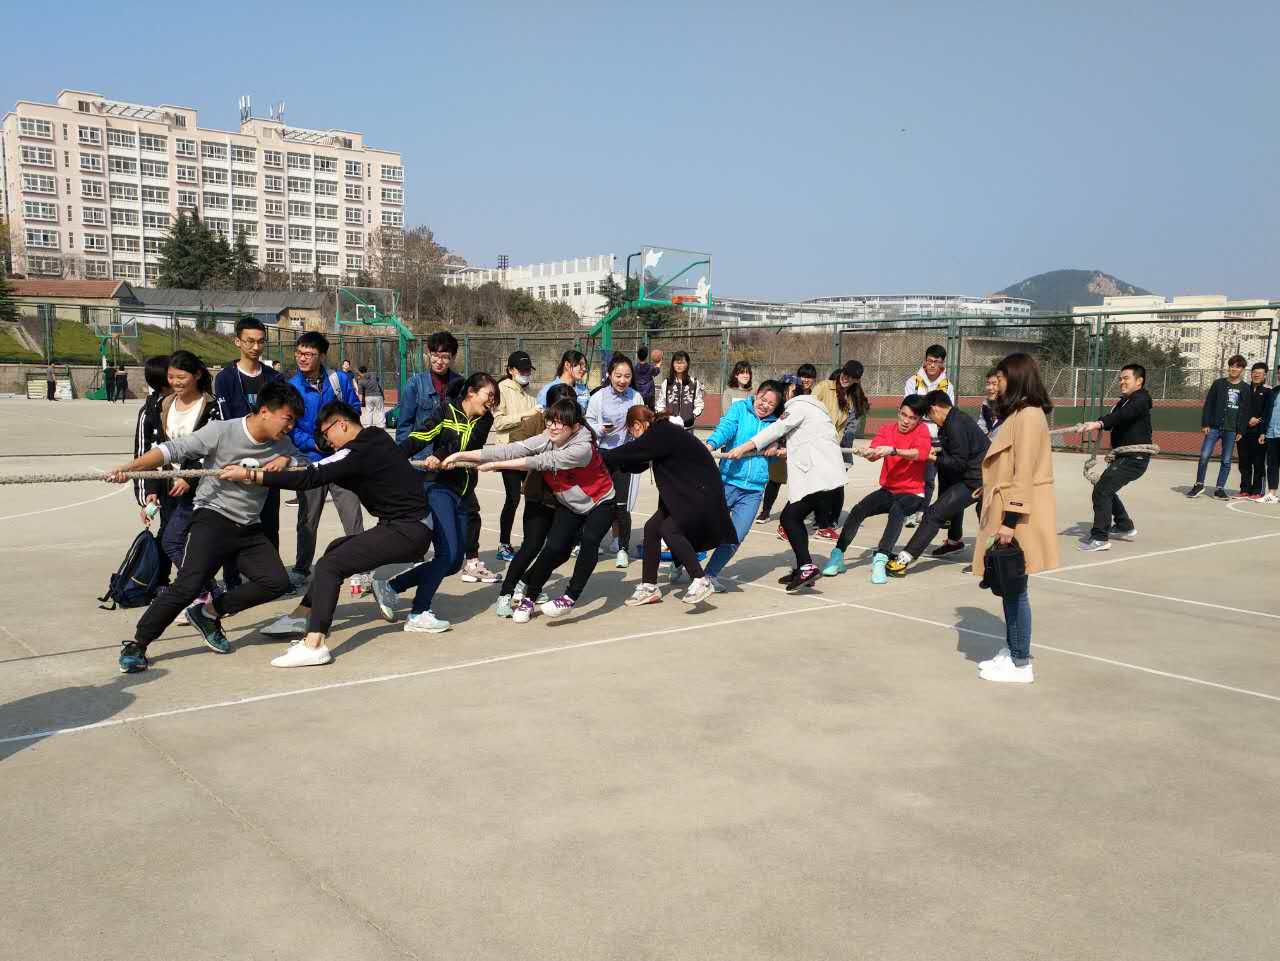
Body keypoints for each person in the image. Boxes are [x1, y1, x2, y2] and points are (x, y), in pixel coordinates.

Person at [106, 381, 305, 674]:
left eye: (294, 421)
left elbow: (304, 461)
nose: (290, 427)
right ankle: (138, 643)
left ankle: (208, 613)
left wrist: (288, 458)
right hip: (213, 518)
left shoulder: (282, 444)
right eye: (287, 419)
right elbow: (172, 450)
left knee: (276, 582)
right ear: (265, 411)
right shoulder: (223, 431)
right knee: (188, 585)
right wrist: (130, 468)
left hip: (248, 526)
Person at [233, 400, 433, 667]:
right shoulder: (376, 437)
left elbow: (309, 477)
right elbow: (328, 468)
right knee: (336, 547)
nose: (328, 442)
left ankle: (314, 644)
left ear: (342, 424)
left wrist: (253, 475)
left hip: (407, 530)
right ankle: (302, 615)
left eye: (327, 435)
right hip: (407, 526)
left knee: (330, 566)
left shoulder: (356, 452)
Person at [444, 395, 616, 622]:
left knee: (590, 540)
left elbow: (538, 462)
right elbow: (511, 449)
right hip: (570, 505)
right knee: (553, 548)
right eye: (550, 420)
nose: (553, 427)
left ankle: (569, 597)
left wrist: (495, 465)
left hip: (600, 501)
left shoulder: (582, 448)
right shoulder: (547, 437)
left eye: (560, 423)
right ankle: (530, 597)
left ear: (575, 427)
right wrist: (460, 455)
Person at [368, 373, 496, 633]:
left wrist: (440, 454)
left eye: (494, 397)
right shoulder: (446, 411)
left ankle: (391, 586)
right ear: (471, 392)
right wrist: (392, 460)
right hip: (439, 488)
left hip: (464, 492)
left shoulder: (485, 420)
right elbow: (420, 437)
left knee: (454, 562)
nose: (491, 401)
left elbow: (469, 445)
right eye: (489, 395)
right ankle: (418, 613)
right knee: (445, 555)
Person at [973, 352, 1059, 684]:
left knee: (1015, 588)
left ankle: (1021, 661)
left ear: (1018, 378)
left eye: (1002, 378)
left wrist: (1009, 521)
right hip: (1011, 507)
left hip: (1018, 514)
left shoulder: (1029, 415)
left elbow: (1023, 473)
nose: (997, 384)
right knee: (1011, 587)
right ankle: (1013, 650)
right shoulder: (1021, 413)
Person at [603, 407, 737, 607]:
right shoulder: (662, 434)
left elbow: (635, 450)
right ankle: (649, 587)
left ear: (637, 425)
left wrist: (600, 457)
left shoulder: (661, 432)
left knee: (669, 529)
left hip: (699, 493)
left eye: (631, 433)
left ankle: (700, 579)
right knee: (652, 528)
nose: (633, 438)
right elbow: (637, 461)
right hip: (688, 492)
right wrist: (614, 463)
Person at [724, 383, 846, 592]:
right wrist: (781, 447)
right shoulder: (816, 410)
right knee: (793, 518)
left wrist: (744, 447)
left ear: (792, 394)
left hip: (818, 478)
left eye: (783, 393)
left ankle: (806, 567)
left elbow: (776, 429)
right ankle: (804, 569)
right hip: (829, 479)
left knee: (789, 518)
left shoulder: (798, 406)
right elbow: (803, 438)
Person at [822, 395, 933, 584]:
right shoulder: (887, 430)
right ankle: (838, 555)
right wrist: (868, 452)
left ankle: (881, 559)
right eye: (904, 415)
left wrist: (894, 450)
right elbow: (875, 454)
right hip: (889, 490)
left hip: (913, 493)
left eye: (912, 418)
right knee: (859, 510)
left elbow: (920, 454)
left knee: (898, 510)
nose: (906, 421)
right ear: (898, 412)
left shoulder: (922, 431)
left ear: (919, 420)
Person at [286, 331, 367, 589]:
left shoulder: (339, 380)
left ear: (321, 355)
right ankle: (301, 568)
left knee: (352, 515)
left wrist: (339, 435)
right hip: (310, 462)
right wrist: (313, 443)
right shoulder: (292, 387)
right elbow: (290, 426)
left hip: (343, 460)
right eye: (299, 353)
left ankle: (361, 568)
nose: (302, 358)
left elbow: (354, 409)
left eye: (309, 354)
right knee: (307, 519)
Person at [214, 317, 285, 590]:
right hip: (235, 462)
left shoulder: (274, 378)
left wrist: (280, 455)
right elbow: (225, 422)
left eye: (260, 341)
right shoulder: (225, 378)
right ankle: (232, 579)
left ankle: (270, 578)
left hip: (267, 463)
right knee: (234, 523)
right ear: (238, 342)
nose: (256, 347)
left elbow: (282, 419)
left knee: (269, 522)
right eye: (250, 341)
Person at [886, 390, 989, 575]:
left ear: (934, 409)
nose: (932, 420)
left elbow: (958, 463)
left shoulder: (955, 424)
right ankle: (956, 543)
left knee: (934, 513)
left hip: (978, 480)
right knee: (957, 506)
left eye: (929, 415)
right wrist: (938, 451)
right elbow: (959, 452)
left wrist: (932, 457)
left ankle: (904, 558)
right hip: (977, 475)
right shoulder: (954, 419)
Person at [701, 380, 785, 591]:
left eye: (771, 404)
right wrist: (710, 445)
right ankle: (681, 561)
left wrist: (776, 448)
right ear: (756, 394)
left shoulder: (776, 424)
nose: (765, 405)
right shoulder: (740, 409)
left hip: (753, 491)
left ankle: (709, 576)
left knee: (736, 536)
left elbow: (772, 456)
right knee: (705, 528)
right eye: (763, 399)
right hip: (727, 482)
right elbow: (726, 429)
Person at [155, 352, 220, 583]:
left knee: (176, 541)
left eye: (181, 377)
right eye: (171, 377)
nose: (175, 382)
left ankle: (203, 588)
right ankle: (198, 587)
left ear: (197, 375)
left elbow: (213, 447)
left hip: (200, 487)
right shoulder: (163, 404)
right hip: (170, 485)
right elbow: (157, 447)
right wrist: (151, 488)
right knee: (172, 539)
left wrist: (189, 478)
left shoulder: (212, 407)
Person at [1077, 363, 1153, 551]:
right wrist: (1095, 423)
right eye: (1120, 378)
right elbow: (1114, 419)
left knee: (1102, 490)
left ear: (1139, 381)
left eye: (1126, 378)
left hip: (1134, 458)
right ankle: (1123, 525)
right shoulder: (1124, 401)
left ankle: (1100, 538)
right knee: (1106, 488)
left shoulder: (1141, 399)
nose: (1121, 382)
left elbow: (1124, 415)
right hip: (1124, 457)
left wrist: (1099, 423)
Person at [586, 354, 644, 568]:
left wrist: (636, 433)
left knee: (621, 504)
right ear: (609, 375)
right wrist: (600, 429)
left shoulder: (636, 397)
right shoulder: (598, 397)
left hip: (625, 456)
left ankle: (622, 548)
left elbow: (643, 423)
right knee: (598, 502)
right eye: (618, 375)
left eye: (627, 376)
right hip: (602, 455)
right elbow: (588, 424)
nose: (622, 380)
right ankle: (592, 543)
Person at [491, 351, 542, 561]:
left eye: (528, 370)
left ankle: (530, 542)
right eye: (522, 370)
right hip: (509, 452)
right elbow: (499, 422)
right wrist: (526, 415)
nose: (526, 373)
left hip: (528, 453)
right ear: (510, 370)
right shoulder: (501, 389)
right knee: (512, 498)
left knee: (532, 497)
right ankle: (504, 544)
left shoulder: (531, 393)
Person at [811, 361, 867, 538]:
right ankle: (797, 522)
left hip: (834, 448)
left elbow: (845, 429)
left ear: (856, 380)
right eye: (845, 373)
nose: (846, 378)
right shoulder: (824, 387)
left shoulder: (851, 399)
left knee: (832, 485)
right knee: (812, 485)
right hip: (813, 444)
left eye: (851, 377)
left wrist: (837, 447)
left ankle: (827, 521)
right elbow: (808, 409)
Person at [132, 354, 174, 585]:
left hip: (192, 480)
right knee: (169, 532)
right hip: (166, 485)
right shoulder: (149, 412)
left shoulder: (192, 404)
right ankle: (159, 580)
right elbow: (142, 454)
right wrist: (147, 498)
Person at [903, 345, 955, 527]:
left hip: (937, 437)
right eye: (930, 361)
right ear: (925, 361)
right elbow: (910, 407)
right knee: (913, 475)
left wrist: (924, 410)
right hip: (916, 435)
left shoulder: (948, 386)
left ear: (942, 364)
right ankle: (909, 512)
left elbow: (948, 412)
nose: (932, 365)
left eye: (937, 362)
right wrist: (929, 412)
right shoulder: (913, 381)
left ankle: (922, 511)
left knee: (930, 478)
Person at [1188, 354, 1251, 499]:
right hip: (1214, 427)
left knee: (1226, 460)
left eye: (1238, 367)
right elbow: (1209, 404)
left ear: (1242, 370)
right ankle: (1199, 484)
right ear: (1228, 368)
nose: (1234, 369)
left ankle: (1220, 489)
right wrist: (1205, 423)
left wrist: (1241, 430)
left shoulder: (1245, 388)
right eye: (1232, 366)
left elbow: (1245, 411)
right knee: (1204, 455)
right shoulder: (1218, 384)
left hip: (1231, 429)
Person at [755, 375, 800, 525]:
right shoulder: (776, 406)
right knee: (775, 480)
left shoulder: (800, 405)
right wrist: (775, 443)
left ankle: (791, 517)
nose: (787, 392)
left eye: (791, 389)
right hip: (778, 448)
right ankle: (765, 511)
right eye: (785, 388)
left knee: (797, 484)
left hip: (795, 449)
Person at [1237, 362, 1269, 499]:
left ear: (1265, 375)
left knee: (1258, 462)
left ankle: (1257, 490)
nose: (1256, 375)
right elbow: (1239, 408)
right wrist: (1247, 420)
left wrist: (1259, 421)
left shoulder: (1267, 392)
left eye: (1259, 373)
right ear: (1251, 374)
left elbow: (1268, 412)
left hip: (1259, 433)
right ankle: (1245, 489)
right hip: (1243, 432)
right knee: (1244, 461)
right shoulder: (1244, 389)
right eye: (1254, 372)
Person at [655, 350, 704, 430]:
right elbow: (660, 404)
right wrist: (665, 418)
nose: (679, 365)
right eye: (676, 362)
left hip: (688, 427)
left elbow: (699, 404)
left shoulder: (694, 383)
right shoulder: (667, 382)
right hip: (670, 427)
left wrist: (693, 416)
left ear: (687, 364)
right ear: (673, 364)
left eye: (682, 363)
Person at [1261, 366, 1280, 503]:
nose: (1279, 375)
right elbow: (1267, 412)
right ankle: (1272, 494)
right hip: (1272, 433)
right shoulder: (1274, 391)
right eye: (1279, 373)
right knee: (1272, 465)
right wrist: (1264, 432)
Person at [634, 344, 660, 410]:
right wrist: (658, 365)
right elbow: (656, 372)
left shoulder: (634, 368)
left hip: (639, 392)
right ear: (646, 356)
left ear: (638, 356)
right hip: (649, 393)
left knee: (639, 409)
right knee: (651, 410)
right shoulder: (650, 367)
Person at [978, 368, 1003, 437]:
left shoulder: (1008, 406)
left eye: (994, 384)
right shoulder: (985, 404)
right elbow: (981, 424)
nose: (990, 388)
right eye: (988, 383)